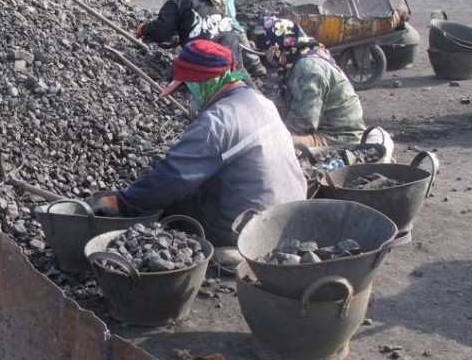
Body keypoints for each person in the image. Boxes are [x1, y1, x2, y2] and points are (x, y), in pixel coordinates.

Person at [86, 40, 307, 270]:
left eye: (187, 88)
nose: (188, 97)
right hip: (289, 217)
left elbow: (173, 176)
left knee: (171, 204)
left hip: (247, 227)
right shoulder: (261, 102)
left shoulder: (217, 121)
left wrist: (123, 202)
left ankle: (230, 252)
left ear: (204, 82)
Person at [134, 0, 266, 77]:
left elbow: (162, 30)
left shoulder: (181, 0)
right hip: (231, 58)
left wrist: (145, 29)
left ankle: (253, 65)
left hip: (207, 62)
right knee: (242, 81)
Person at [262, 16, 375, 147]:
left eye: (269, 45)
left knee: (275, 142)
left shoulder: (308, 67)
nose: (267, 50)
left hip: (337, 136)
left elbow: (304, 121)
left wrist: (275, 132)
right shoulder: (305, 56)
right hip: (333, 129)